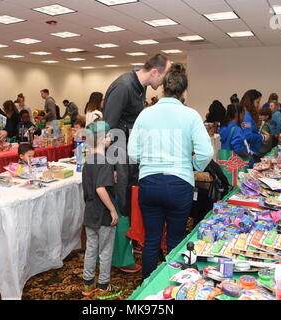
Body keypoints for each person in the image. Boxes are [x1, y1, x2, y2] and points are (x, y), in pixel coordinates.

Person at [128, 63, 214, 279]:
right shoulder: (191, 115)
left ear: (163, 88)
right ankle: (175, 286)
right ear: (184, 91)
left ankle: (147, 287)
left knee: (151, 240)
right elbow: (205, 152)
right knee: (176, 240)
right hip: (179, 184)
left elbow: (132, 152)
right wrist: (193, 166)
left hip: (149, 183)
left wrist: (148, 162)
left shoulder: (145, 114)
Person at [103, 53, 172, 273]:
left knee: (132, 201)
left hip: (130, 154)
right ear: (154, 72)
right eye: (163, 77)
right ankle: (121, 258)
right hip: (119, 155)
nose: (163, 83)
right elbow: (109, 127)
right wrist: (112, 167)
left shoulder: (140, 86)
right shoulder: (123, 87)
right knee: (122, 204)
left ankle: (131, 247)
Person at [81, 121, 122, 298]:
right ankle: (104, 286)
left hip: (90, 213)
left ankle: (88, 285)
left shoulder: (88, 161)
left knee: (91, 250)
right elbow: (100, 188)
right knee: (105, 251)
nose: (109, 139)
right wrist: (113, 210)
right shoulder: (104, 161)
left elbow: (94, 183)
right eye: (106, 136)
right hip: (103, 214)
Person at [240, 89, 270, 162]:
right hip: (249, 153)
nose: (258, 105)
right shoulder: (246, 116)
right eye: (257, 102)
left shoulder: (245, 114)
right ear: (250, 102)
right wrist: (263, 137)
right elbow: (247, 136)